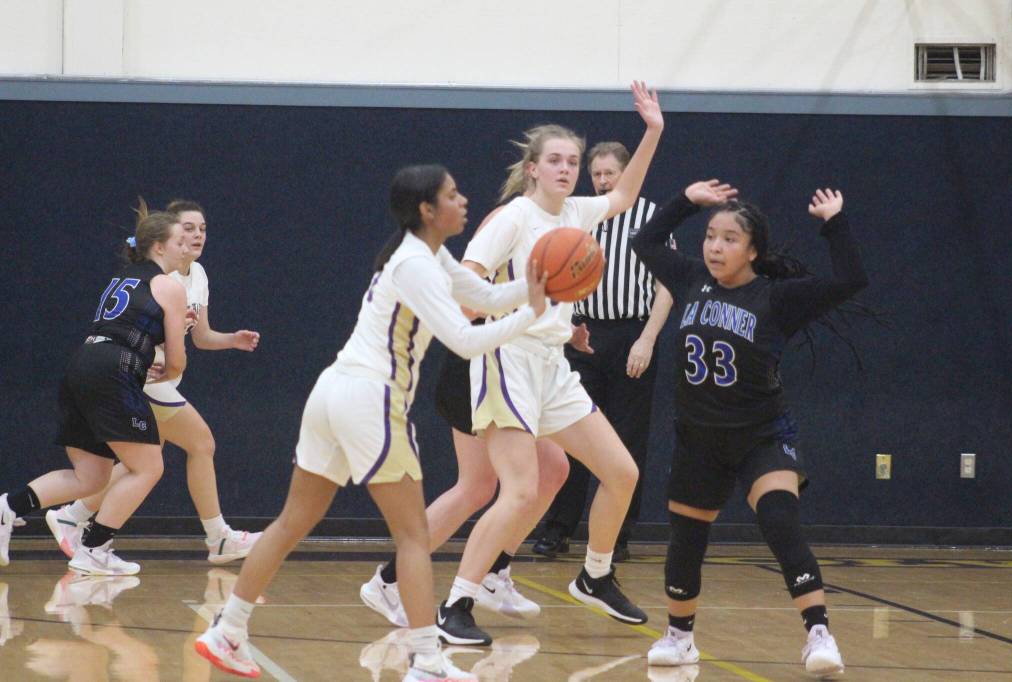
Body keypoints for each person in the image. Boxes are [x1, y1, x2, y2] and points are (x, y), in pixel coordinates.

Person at [194, 165, 548, 681]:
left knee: (293, 521)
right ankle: (428, 662)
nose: (464, 200)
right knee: (413, 535)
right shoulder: (415, 266)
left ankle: (227, 631)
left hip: (333, 393)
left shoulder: (427, 253)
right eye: (452, 195)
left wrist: (531, 289)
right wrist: (532, 314)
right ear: (428, 210)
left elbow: (484, 297)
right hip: (371, 399)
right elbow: (466, 340)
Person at [433, 81, 664, 647]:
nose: (566, 169)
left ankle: (596, 574)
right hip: (506, 357)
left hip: (553, 364)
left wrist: (653, 130)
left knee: (623, 473)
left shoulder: (579, 211)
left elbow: (625, 198)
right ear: (533, 168)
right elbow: (465, 293)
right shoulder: (512, 218)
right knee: (517, 488)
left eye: (573, 162)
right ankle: (456, 603)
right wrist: (526, 297)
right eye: (555, 161)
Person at [632, 180, 867, 678]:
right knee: (686, 538)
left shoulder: (778, 298)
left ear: (753, 249)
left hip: (761, 433)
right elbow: (645, 243)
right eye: (710, 236)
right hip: (699, 437)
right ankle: (679, 638)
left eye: (729, 239)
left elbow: (850, 279)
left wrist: (835, 223)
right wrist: (686, 202)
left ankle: (819, 635)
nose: (715, 246)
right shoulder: (690, 278)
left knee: (780, 520)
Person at [360, 210, 570, 628]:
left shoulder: (551, 222)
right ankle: (390, 580)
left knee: (552, 468)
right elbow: (468, 305)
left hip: (508, 362)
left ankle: (493, 571)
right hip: (482, 363)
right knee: (478, 487)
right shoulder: (511, 219)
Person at [45, 200, 263, 565]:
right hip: (143, 377)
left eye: (202, 228)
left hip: (161, 377)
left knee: (143, 462)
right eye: (188, 229)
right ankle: (218, 537)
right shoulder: (162, 276)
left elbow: (202, 335)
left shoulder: (199, 275)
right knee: (201, 443)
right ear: (168, 238)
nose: (196, 235)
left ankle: (75, 515)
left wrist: (231, 340)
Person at [0, 207, 189, 575]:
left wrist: (136, 359)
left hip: (84, 363)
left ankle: (6, 508)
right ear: (159, 247)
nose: (186, 249)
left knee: (92, 477)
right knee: (149, 467)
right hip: (112, 370)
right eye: (179, 242)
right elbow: (178, 363)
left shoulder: (122, 278)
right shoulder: (169, 286)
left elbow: (120, 331)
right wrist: (159, 368)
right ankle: (94, 547)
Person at [533, 140, 674, 563]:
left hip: (632, 334)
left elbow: (667, 285)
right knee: (570, 434)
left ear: (627, 171)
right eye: (595, 174)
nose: (601, 181)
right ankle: (558, 529)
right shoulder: (579, 213)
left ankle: (617, 537)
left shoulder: (652, 217)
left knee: (628, 440)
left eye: (609, 173)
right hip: (582, 335)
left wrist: (647, 338)